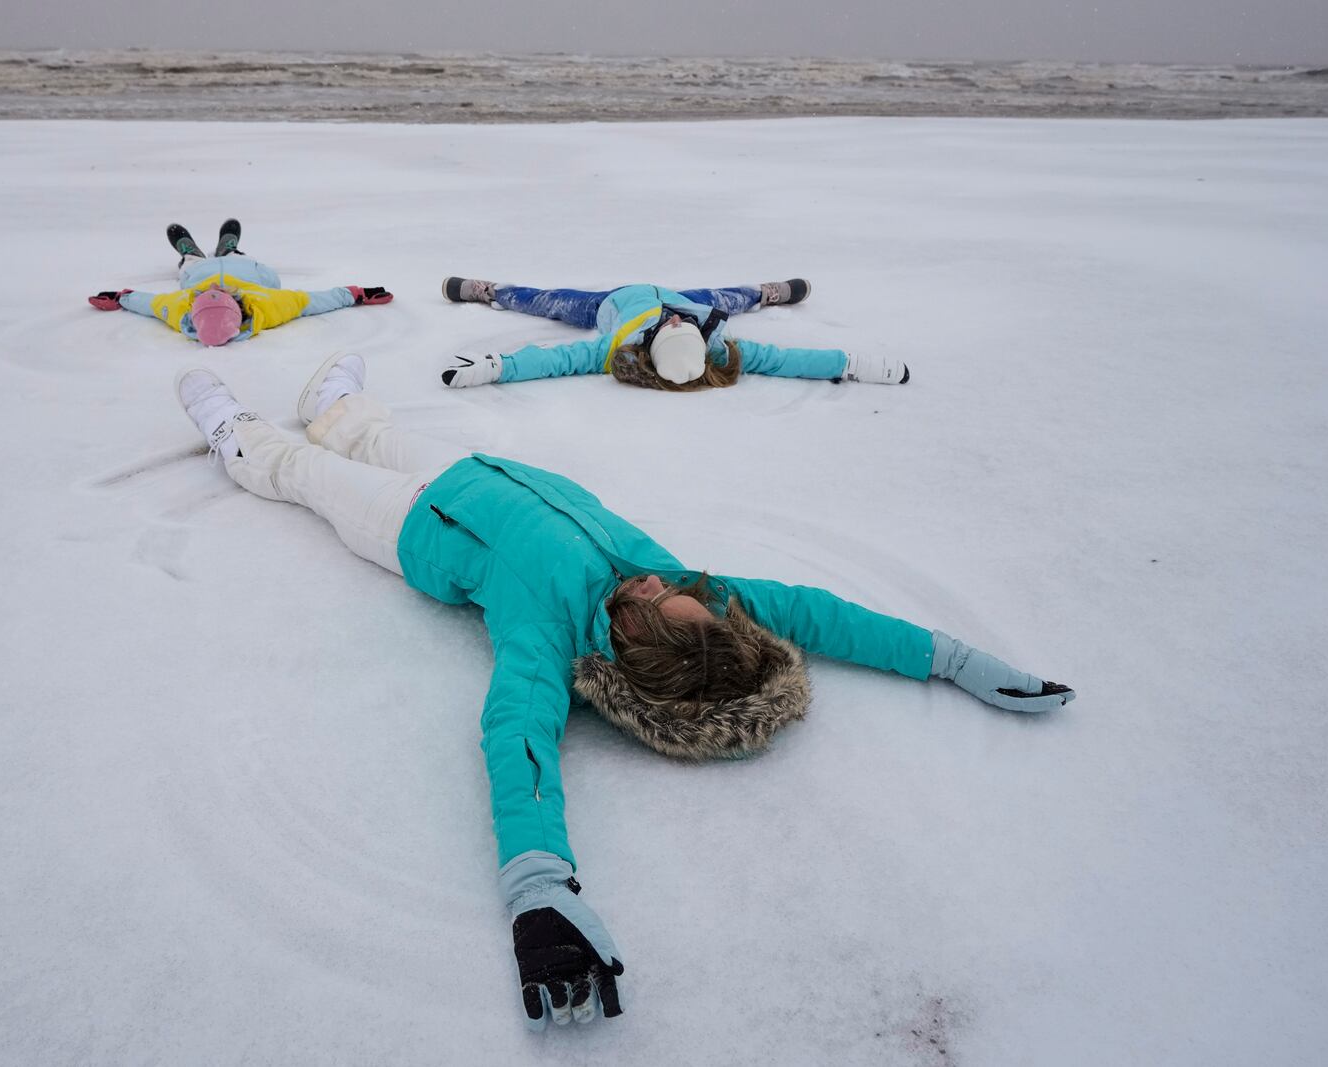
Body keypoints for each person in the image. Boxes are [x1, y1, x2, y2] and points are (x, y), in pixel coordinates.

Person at [171, 356, 1075, 1030]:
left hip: (411, 524)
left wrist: (538, 890)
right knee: (371, 430)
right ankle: (337, 403)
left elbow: (517, 736)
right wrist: (949, 658)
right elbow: (823, 614)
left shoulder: (552, 637)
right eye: (672, 590)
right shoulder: (696, 592)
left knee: (304, 473)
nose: (653, 581)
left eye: (653, 601)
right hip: (478, 472)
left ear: (639, 643)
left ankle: (236, 436)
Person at [439, 277, 910, 390]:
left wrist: (497, 367)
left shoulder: (617, 347)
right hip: (692, 294)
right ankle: (771, 293)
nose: (676, 321)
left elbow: (558, 360)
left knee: (545, 300)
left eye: (671, 328)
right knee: (736, 297)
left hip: (609, 302)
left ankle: (489, 291)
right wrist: (851, 365)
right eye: (681, 327)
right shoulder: (708, 335)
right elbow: (785, 360)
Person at [87, 220, 393, 346]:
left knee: (192, 272)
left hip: (200, 273)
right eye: (218, 295)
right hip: (249, 272)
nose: (215, 290)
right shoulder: (267, 305)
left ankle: (190, 255)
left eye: (207, 296)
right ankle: (230, 249)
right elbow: (313, 300)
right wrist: (356, 294)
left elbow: (150, 303)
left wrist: (122, 296)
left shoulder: (181, 307)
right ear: (239, 306)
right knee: (250, 267)